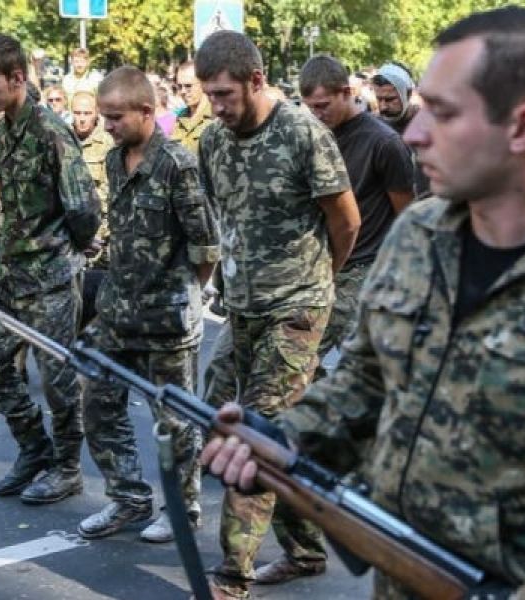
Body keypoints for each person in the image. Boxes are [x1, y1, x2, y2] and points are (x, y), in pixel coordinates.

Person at [202, 7, 525, 598]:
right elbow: (365, 383)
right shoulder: (420, 235)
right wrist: (285, 438)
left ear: (523, 127)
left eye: (443, 114)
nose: (415, 134)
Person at [196, 30, 360, 599]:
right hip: (242, 307)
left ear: (257, 81)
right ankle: (306, 548)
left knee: (257, 435)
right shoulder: (213, 141)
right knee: (227, 414)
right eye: (209, 96)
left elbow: (346, 220)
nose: (217, 107)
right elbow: (226, 217)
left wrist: (317, 284)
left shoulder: (302, 133)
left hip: (296, 308)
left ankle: (231, 576)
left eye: (224, 95)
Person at [77, 66, 219, 544]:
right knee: (97, 403)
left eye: (116, 117)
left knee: (174, 422)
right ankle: (128, 498)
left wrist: (185, 293)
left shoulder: (178, 164)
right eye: (104, 117)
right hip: (118, 311)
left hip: (167, 318)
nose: (108, 125)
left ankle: (181, 510)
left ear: (146, 111)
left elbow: (205, 245)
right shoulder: (115, 160)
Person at [0, 34, 100, 504]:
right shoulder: (4, 130)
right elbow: (10, 198)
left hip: (51, 277)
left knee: (58, 380)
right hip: (9, 274)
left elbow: (84, 209)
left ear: (17, 78)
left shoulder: (51, 133)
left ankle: (66, 468)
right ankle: (34, 448)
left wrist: (70, 252)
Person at [299, 55, 414, 377]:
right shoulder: (313, 136)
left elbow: (407, 217)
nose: (317, 114)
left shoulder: (384, 142)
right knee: (296, 364)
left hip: (363, 271)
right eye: (311, 107)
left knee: (363, 372)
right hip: (321, 268)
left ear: (347, 92)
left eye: (323, 105)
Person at [70, 90, 114, 326]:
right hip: (69, 235)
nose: (82, 119)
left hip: (99, 237)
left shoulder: (108, 143)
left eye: (87, 113)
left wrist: (96, 234)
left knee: (98, 303)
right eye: (77, 113)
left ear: (97, 113)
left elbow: (109, 194)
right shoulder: (62, 139)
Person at [372, 63, 430, 197]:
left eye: (390, 99)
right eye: (379, 99)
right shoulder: (373, 127)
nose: (383, 107)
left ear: (407, 94)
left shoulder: (429, 125)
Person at [171, 61, 213, 154]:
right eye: (179, 86)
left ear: (203, 84)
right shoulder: (180, 117)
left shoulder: (216, 117)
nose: (183, 91)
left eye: (188, 86)